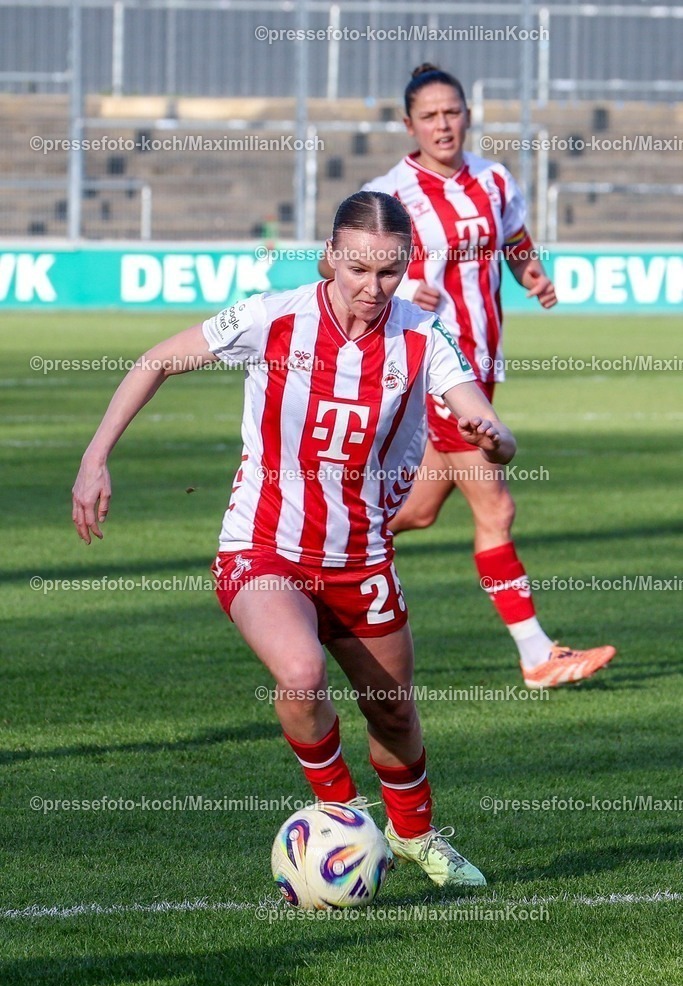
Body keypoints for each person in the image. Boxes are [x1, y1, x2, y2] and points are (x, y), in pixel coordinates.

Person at [72, 191, 516, 890]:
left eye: (390, 273)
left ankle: (415, 835)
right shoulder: (270, 317)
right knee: (301, 675)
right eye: (359, 271)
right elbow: (154, 361)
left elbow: (484, 419)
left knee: (393, 712)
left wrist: (494, 438)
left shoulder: (422, 337)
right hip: (263, 546)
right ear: (328, 260)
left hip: (360, 555)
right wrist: (95, 458)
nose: (373, 289)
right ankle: (338, 816)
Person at [343, 64, 615, 689]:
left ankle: (313, 553)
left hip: (484, 367)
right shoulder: (391, 196)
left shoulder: (493, 180)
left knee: (413, 512)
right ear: (408, 124)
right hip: (440, 372)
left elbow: (515, 239)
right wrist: (406, 288)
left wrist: (533, 275)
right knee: (497, 508)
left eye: (453, 112)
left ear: (468, 115)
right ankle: (536, 654)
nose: (443, 124)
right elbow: (352, 273)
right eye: (430, 116)